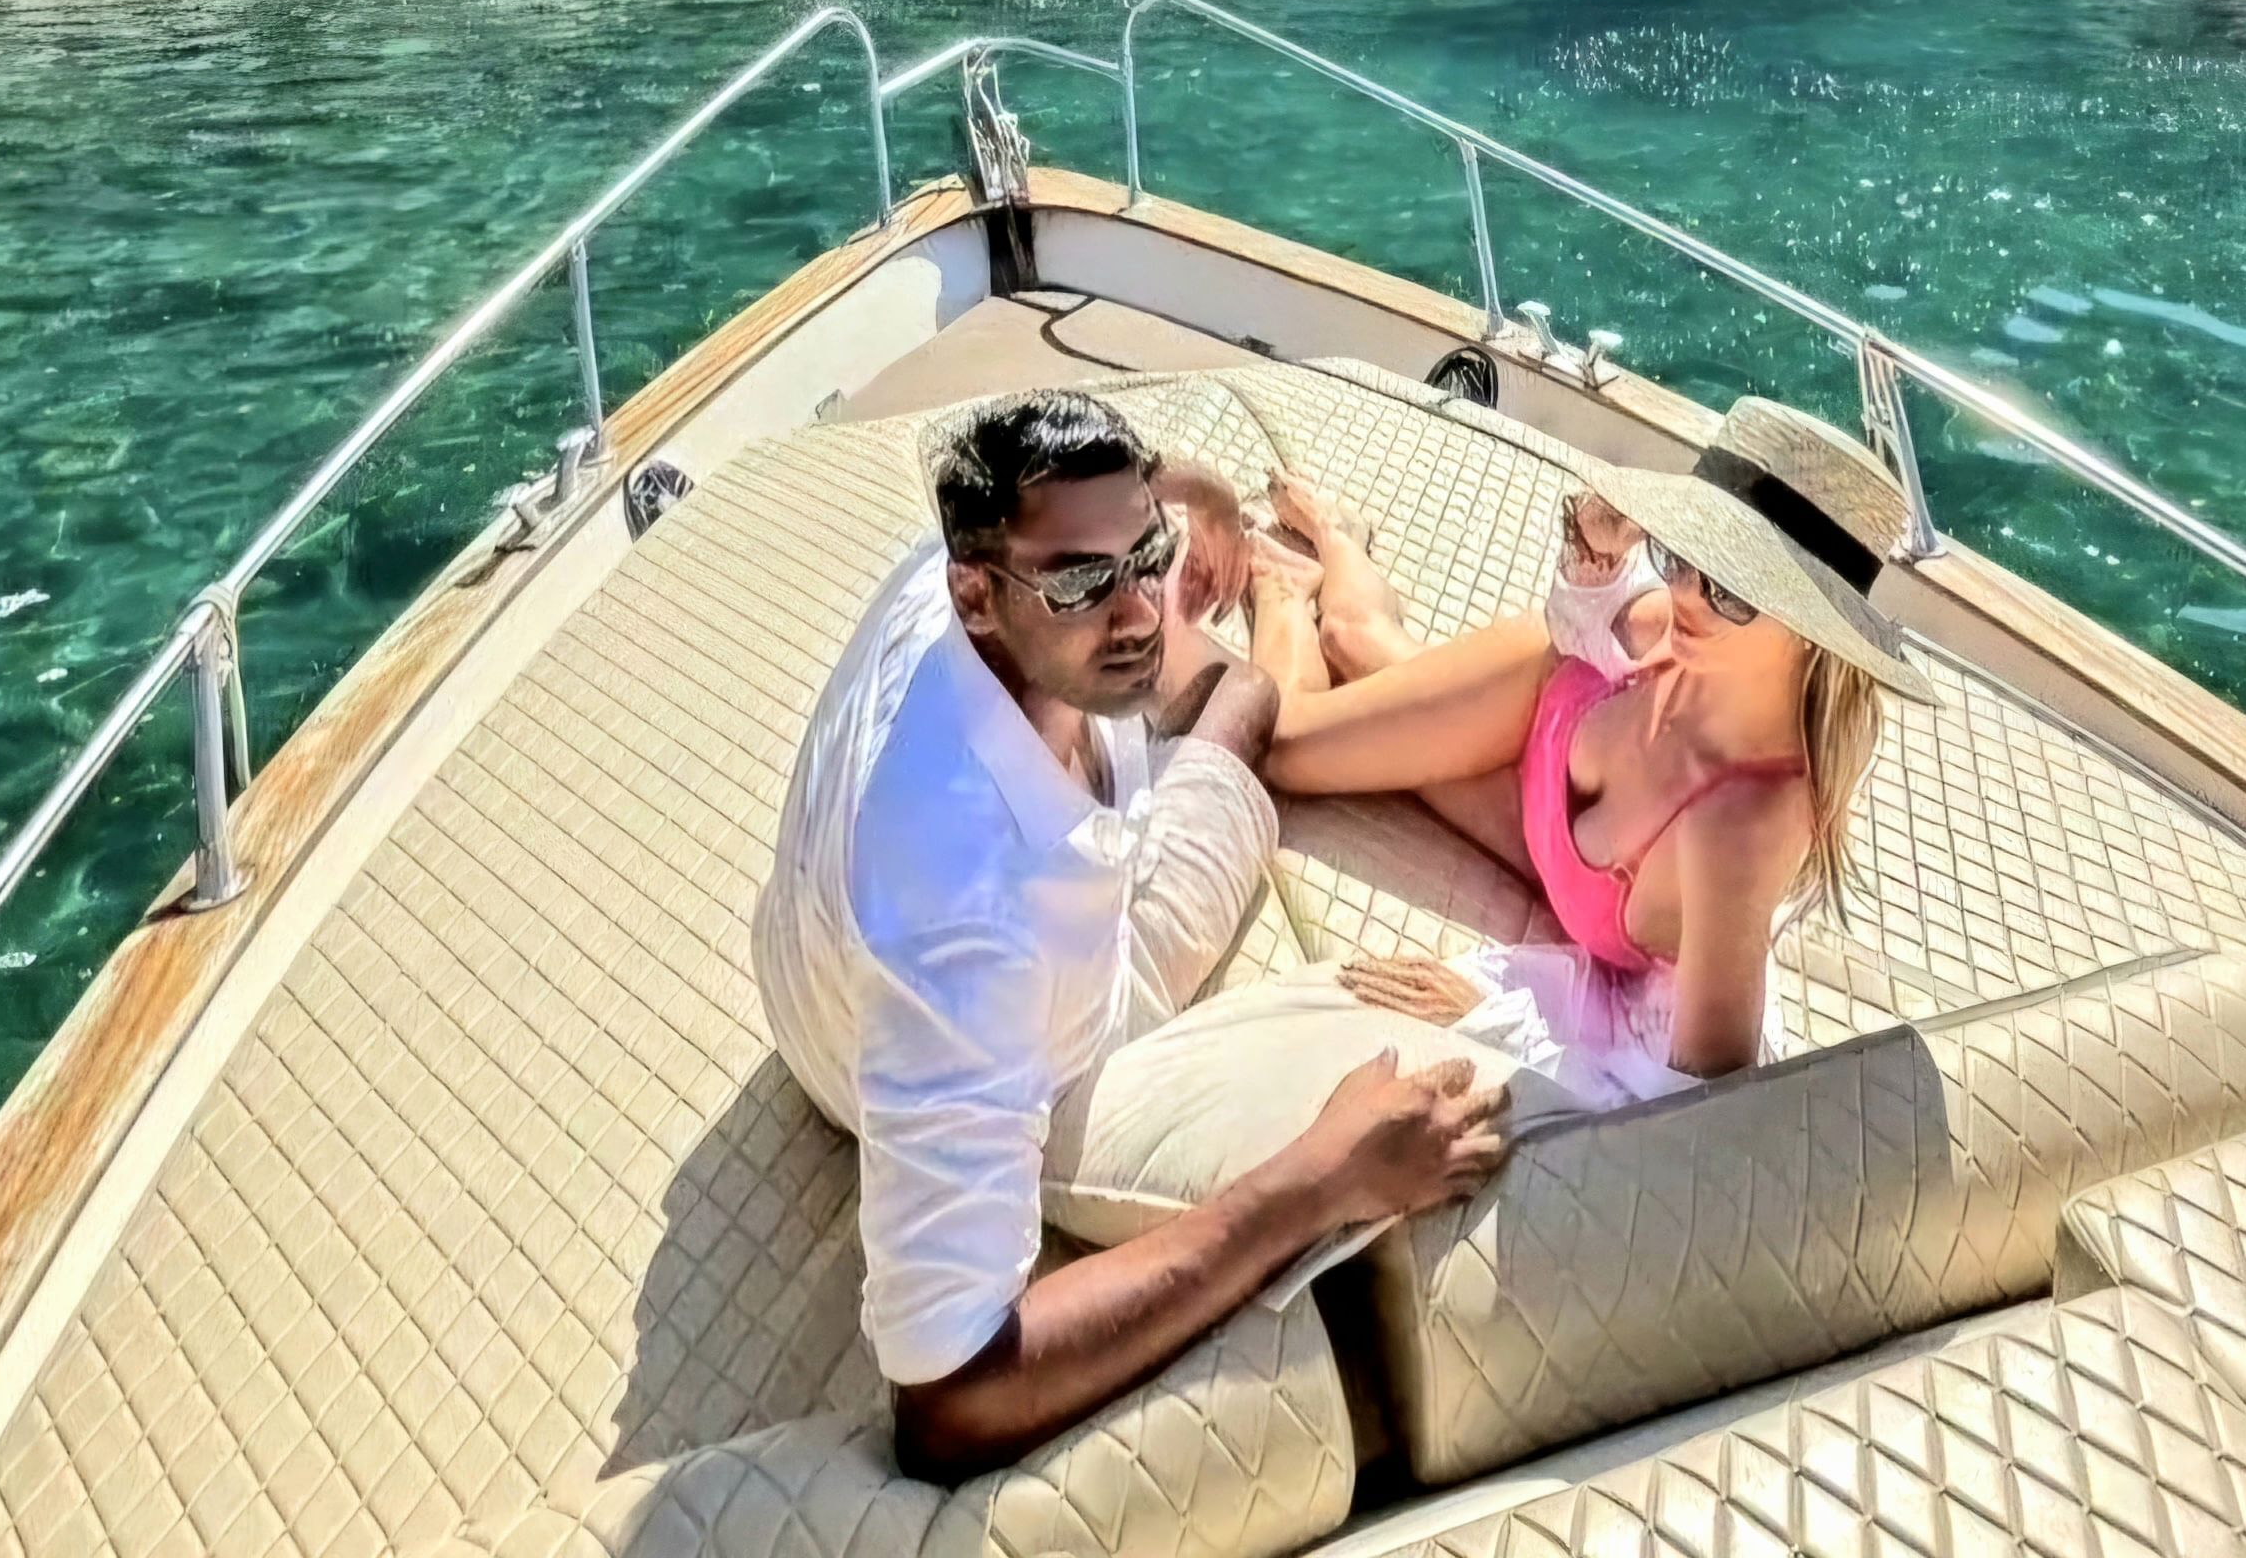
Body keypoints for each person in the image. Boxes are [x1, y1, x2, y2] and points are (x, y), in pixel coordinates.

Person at [752, 390, 1508, 1484]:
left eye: (1143, 553)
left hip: (813, 976)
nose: (1140, 611)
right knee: (1242, 695)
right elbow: (950, 1399)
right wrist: (1321, 1181)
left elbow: (1072, 517)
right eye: (1081, 582)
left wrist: (1183, 495)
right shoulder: (963, 916)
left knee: (1192, 673)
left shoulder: (956, 558)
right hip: (957, 1026)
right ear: (974, 593)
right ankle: (1282, 602)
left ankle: (1267, 583)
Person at [1249, 397, 1937, 1107]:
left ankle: (1285, 584)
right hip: (1540, 705)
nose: (1687, 597)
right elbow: (1587, 610)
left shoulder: (1741, 827)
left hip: (1538, 826)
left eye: (1731, 588)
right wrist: (1594, 546)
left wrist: (1492, 1021)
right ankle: (1334, 539)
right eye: (1683, 558)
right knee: (1320, 684)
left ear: (1811, 628)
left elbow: (1697, 1109)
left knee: (1300, 726)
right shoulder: (1682, 625)